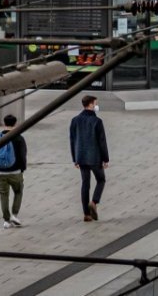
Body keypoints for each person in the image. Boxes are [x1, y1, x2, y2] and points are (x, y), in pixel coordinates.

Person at [70, 94, 109, 222]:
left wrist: (75, 158)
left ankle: (86, 214)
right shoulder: (97, 122)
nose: (96, 106)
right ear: (91, 105)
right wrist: (105, 158)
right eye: (95, 103)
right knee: (101, 180)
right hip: (95, 157)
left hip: (81, 157)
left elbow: (72, 140)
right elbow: (102, 141)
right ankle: (94, 202)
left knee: (85, 183)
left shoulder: (75, 120)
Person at [0, 114, 28, 228]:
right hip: (15, 171)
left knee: (4, 195)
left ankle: (6, 220)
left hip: (0, 171)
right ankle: (14, 215)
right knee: (18, 192)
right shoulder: (19, 137)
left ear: (4, 123)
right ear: (15, 123)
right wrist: (22, 168)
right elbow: (23, 155)